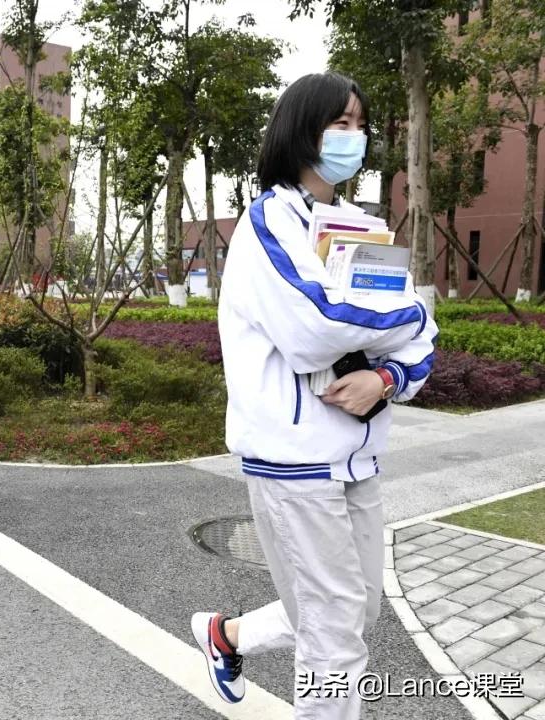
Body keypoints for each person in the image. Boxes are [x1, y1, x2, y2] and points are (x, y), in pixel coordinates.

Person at [190, 73, 437, 720]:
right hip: (294, 460)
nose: (354, 137)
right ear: (302, 128)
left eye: (360, 125)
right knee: (333, 634)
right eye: (340, 123)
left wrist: (387, 378)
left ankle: (228, 637)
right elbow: (313, 326)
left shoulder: (359, 224)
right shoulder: (269, 221)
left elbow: (422, 341)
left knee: (357, 609)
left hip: (359, 455)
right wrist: (402, 316)